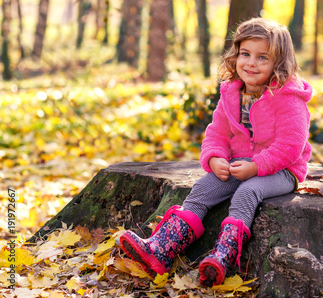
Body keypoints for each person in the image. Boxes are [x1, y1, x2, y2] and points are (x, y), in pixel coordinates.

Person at [119, 17, 312, 287]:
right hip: (239, 164)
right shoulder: (231, 93)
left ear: (279, 63)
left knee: (248, 191)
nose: (251, 63)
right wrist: (215, 158)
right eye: (245, 54)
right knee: (203, 188)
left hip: (282, 169)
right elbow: (217, 133)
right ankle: (161, 250)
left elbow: (290, 146)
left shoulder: (288, 98)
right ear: (235, 55)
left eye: (262, 57)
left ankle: (223, 255)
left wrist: (256, 168)